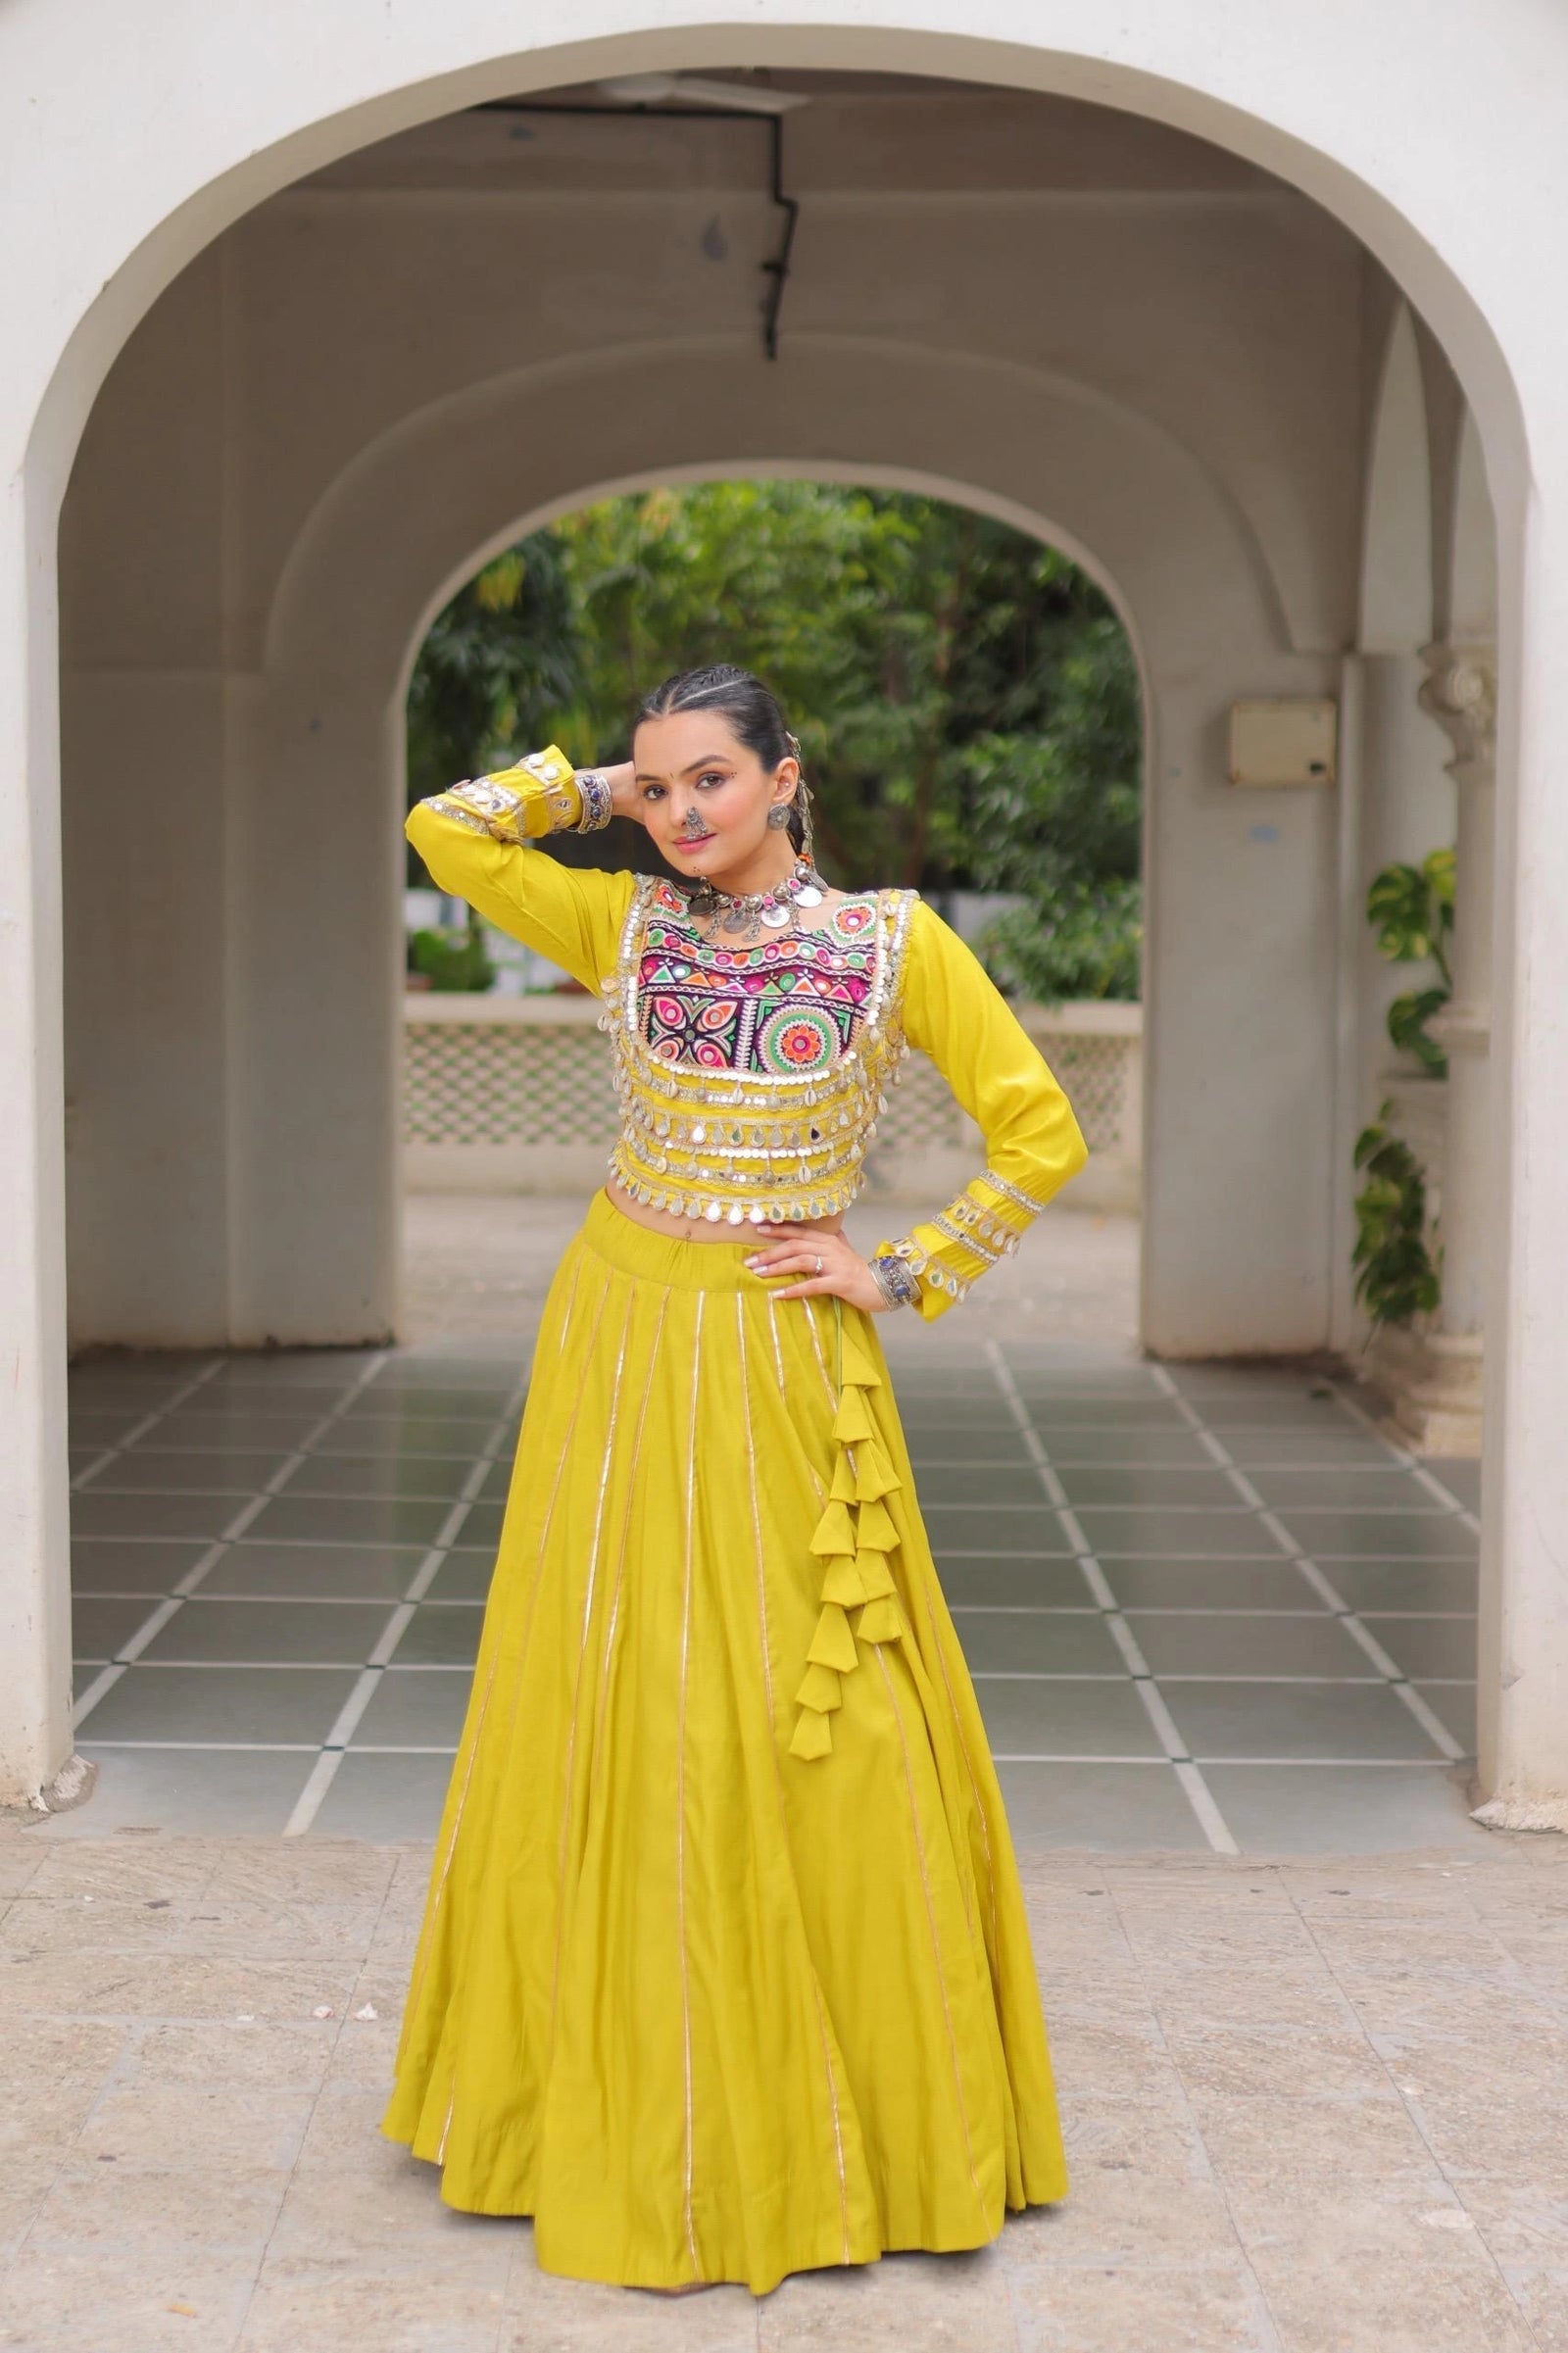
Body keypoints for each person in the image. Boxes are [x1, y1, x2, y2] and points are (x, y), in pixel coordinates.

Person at [381, 662, 1089, 2296]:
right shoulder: (623, 924)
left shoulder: (889, 945)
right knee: (605, 1675)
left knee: (811, 1701)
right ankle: (589, 2087)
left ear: (786, 775)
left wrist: (898, 1271)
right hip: (618, 1327)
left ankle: (853, 2114)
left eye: (711, 777)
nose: (683, 811)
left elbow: (1039, 1130)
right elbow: (445, 831)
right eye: (661, 786)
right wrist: (591, 790)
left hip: (777, 1347)